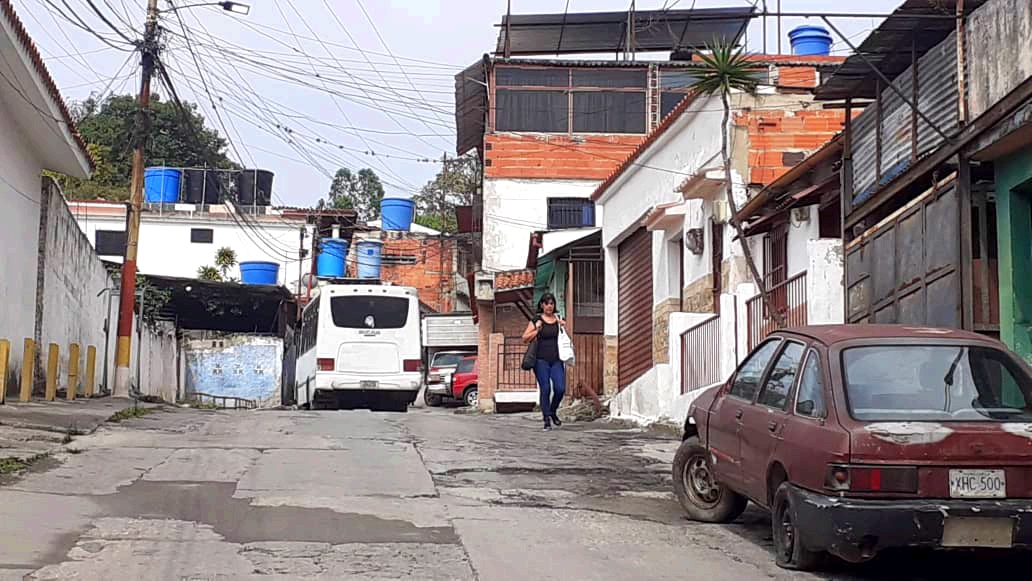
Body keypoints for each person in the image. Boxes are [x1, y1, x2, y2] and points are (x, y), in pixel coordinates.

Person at [522, 292, 567, 431]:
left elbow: (566, 337)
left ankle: (552, 411)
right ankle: (546, 419)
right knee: (546, 388)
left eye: (552, 303)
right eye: (546, 303)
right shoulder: (536, 319)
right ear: (542, 305)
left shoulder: (558, 319)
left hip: (557, 360)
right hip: (541, 360)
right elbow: (525, 338)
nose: (549, 306)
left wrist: (564, 326)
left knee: (560, 388)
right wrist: (537, 329)